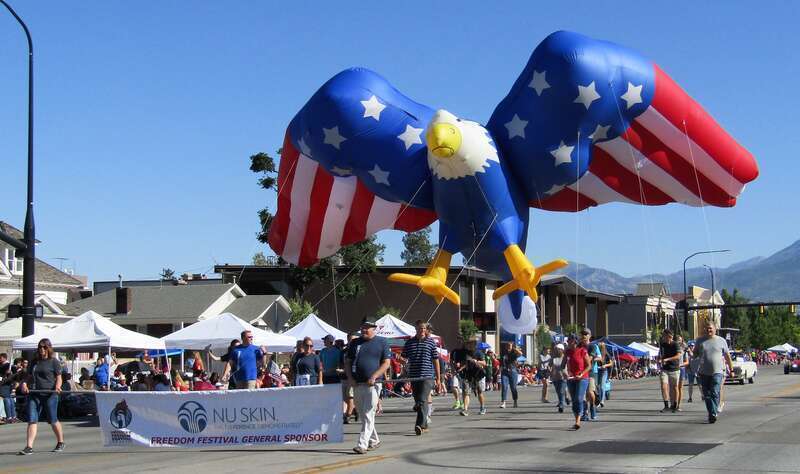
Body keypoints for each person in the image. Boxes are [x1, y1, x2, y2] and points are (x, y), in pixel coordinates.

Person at [345, 316, 391, 455]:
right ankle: (375, 440)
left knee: (368, 413)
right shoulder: (354, 343)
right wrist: (350, 378)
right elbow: (347, 362)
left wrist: (374, 376)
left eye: (367, 327)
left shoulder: (382, 342)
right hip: (357, 383)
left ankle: (362, 444)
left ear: (374, 328)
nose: (364, 329)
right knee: (363, 414)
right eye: (362, 327)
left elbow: (386, 363)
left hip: (373, 385)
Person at [18, 338, 65, 455]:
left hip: (50, 394)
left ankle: (60, 442)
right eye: (40, 347)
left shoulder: (54, 361)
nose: (41, 349)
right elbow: (28, 376)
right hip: (34, 393)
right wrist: (24, 384)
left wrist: (58, 387)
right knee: (32, 419)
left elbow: (59, 377)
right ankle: (29, 446)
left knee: (52, 419)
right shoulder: (34, 362)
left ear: (49, 348)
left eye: (44, 347)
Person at [401, 320, 441, 436]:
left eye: (424, 328)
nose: (422, 330)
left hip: (427, 376)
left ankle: (419, 425)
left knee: (422, 399)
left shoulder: (431, 342)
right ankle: (425, 426)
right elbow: (404, 358)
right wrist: (400, 360)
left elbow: (436, 360)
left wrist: (438, 378)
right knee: (419, 401)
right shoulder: (409, 343)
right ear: (416, 329)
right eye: (420, 328)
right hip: (414, 376)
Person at [693, 320, 733, 424]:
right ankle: (712, 412)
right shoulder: (699, 340)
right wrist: (692, 357)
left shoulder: (721, 341)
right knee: (706, 394)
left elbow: (727, 356)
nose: (708, 330)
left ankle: (713, 413)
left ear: (715, 329)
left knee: (715, 392)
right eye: (707, 328)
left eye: (710, 328)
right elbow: (695, 354)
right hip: (703, 372)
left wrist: (731, 369)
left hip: (717, 372)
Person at [452, 336, 487, 416]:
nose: (470, 345)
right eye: (468, 344)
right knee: (466, 392)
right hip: (466, 375)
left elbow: (484, 363)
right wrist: (458, 365)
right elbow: (460, 362)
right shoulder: (463, 353)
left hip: (477, 374)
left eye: (472, 343)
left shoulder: (478, 352)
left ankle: (482, 407)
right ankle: (465, 409)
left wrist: (476, 361)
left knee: (479, 392)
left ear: (475, 344)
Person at [565, 334, 591, 430]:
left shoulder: (582, 351)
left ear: (574, 341)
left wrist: (582, 374)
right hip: (571, 378)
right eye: (567, 341)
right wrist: (565, 373)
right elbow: (564, 364)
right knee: (574, 401)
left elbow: (589, 366)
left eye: (569, 340)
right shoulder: (567, 352)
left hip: (582, 378)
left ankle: (578, 421)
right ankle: (576, 420)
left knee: (579, 399)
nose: (567, 342)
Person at [658, 329, 683, 413]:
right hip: (665, 369)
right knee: (663, 386)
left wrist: (667, 359)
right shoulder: (662, 345)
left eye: (664, 336)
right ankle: (666, 406)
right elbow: (661, 354)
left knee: (675, 387)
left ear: (669, 337)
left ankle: (675, 405)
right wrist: (660, 359)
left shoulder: (675, 344)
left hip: (674, 368)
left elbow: (678, 356)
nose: (663, 337)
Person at [499, 342, 521, 409]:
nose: (508, 346)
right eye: (507, 345)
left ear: (512, 346)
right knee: (504, 386)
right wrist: (500, 368)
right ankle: (503, 402)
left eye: (509, 345)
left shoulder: (514, 353)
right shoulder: (503, 352)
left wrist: (515, 349)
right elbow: (501, 361)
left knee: (513, 387)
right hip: (504, 371)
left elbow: (520, 354)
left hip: (513, 371)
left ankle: (515, 401)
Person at [549, 343, 568, 413]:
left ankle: (561, 405)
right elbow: (549, 365)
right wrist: (549, 370)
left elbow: (569, 365)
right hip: (555, 377)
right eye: (556, 349)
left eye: (558, 349)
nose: (557, 350)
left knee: (561, 391)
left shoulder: (565, 357)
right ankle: (561, 402)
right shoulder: (553, 358)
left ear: (562, 350)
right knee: (558, 391)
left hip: (563, 377)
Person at [676, 335, 689, 410]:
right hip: (674, 369)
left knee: (680, 388)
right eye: (677, 340)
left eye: (680, 340)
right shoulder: (673, 349)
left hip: (681, 369)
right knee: (674, 387)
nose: (679, 341)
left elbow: (687, 362)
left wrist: (680, 364)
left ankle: (679, 405)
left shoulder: (684, 350)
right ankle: (674, 403)